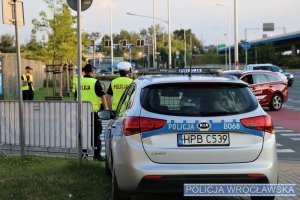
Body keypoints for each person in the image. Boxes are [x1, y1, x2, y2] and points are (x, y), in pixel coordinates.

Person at [77, 63, 108, 160]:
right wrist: (106, 108)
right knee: (96, 133)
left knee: (83, 133)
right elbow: (102, 96)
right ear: (92, 71)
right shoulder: (95, 82)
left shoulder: (79, 81)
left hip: (81, 112)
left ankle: (83, 154)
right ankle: (97, 155)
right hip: (93, 112)